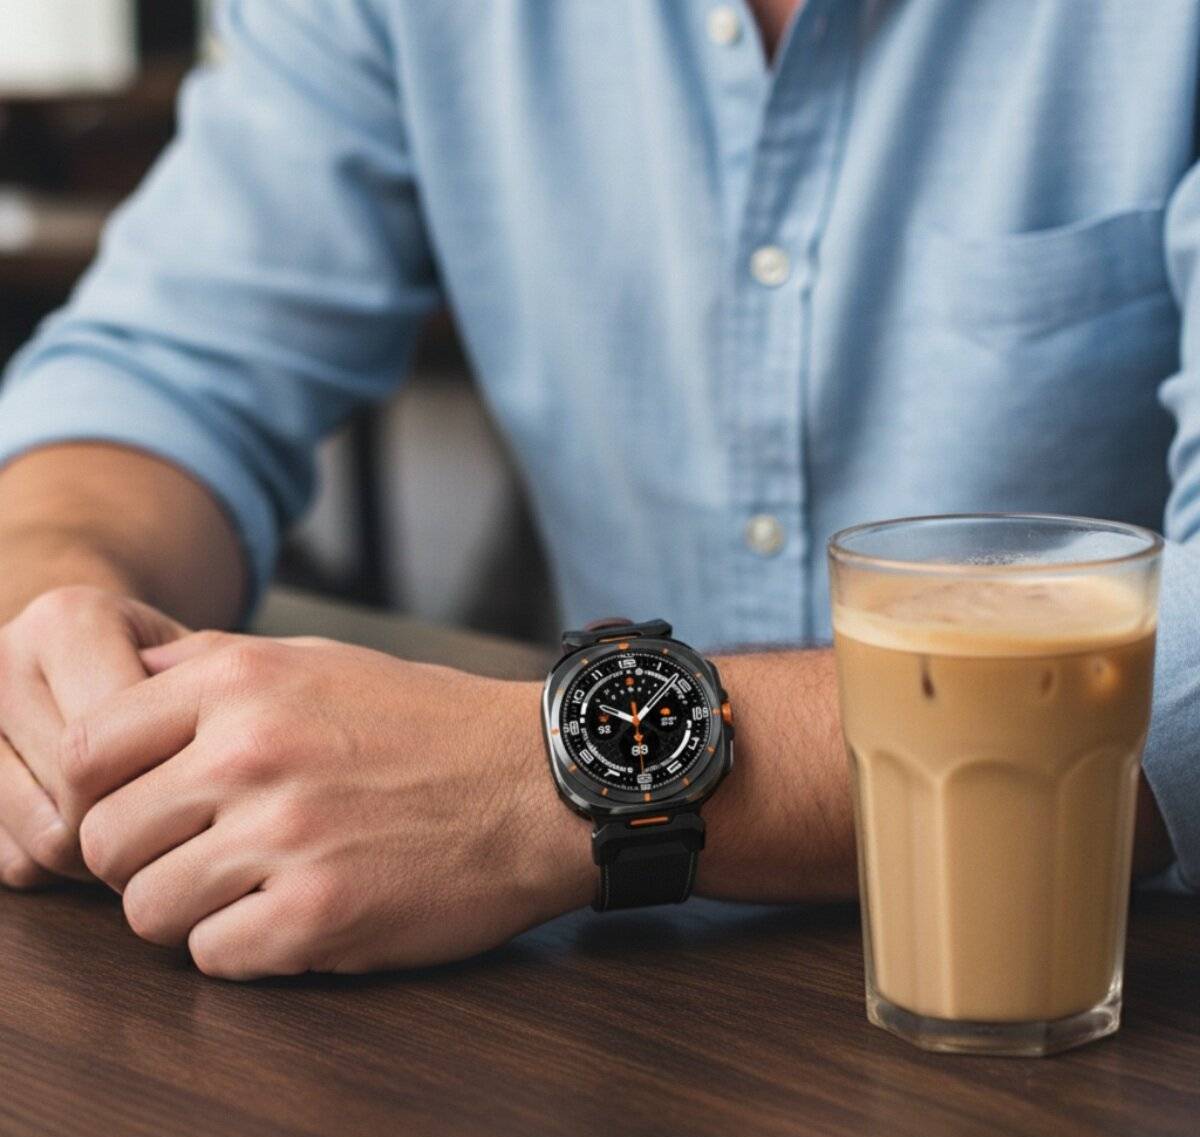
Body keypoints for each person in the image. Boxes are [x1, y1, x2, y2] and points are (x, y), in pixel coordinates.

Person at [0, 0, 1191, 979]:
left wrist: (542, 779)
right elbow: (167, 366)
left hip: (1104, 985)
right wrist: (57, 605)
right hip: (635, 998)